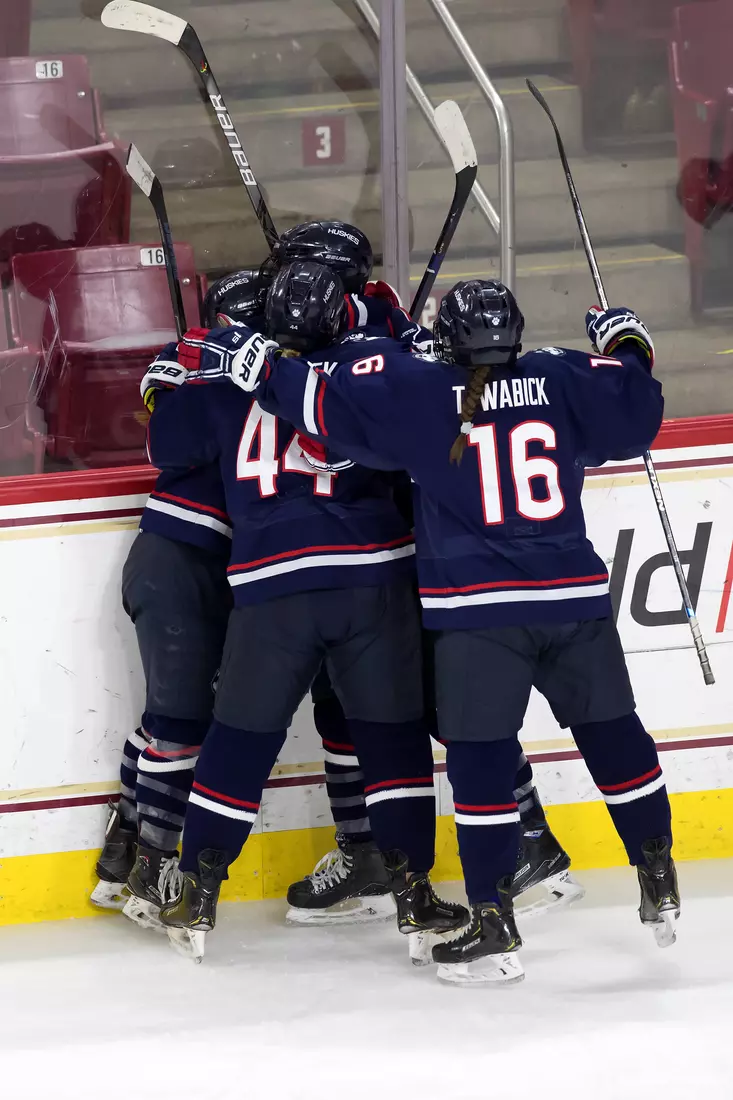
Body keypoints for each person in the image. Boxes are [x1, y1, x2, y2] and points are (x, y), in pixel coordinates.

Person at [220, 267, 679, 986]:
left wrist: (265, 366)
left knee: (480, 771)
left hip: (478, 617)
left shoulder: (422, 393)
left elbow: (320, 405)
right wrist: (626, 342)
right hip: (574, 603)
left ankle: (494, 927)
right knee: (616, 736)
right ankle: (658, 873)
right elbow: (637, 411)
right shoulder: (561, 375)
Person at [140, 261, 468, 962]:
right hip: (370, 581)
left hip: (270, 589)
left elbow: (163, 447)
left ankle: (196, 895)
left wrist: (169, 380)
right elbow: (427, 413)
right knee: (392, 744)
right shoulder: (368, 372)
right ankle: (413, 894)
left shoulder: (228, 381)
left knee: (238, 744)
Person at [269, 222, 583, 926]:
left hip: (407, 556)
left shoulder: (377, 347)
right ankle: (370, 851)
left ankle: (528, 841)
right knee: (346, 711)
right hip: (360, 559)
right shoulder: (366, 336)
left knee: (450, 708)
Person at [90, 270, 266, 925]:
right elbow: (163, 434)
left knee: (170, 719)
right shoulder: (206, 375)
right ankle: (153, 870)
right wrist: (201, 371)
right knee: (179, 725)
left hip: (188, 566)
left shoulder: (261, 379)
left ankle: (122, 856)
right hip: (177, 564)